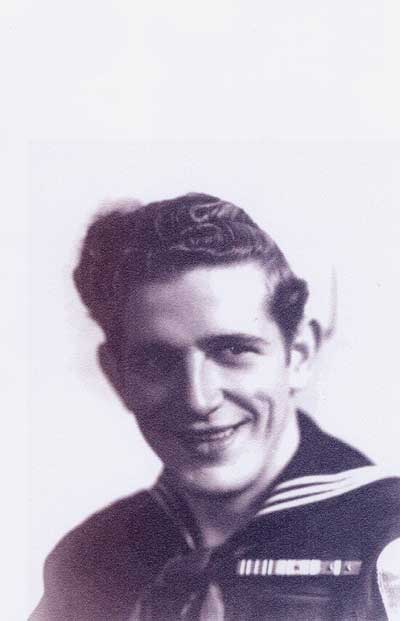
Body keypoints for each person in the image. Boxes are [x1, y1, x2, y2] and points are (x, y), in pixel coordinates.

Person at [31, 193, 400, 620]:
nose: (198, 399)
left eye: (233, 350)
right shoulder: (87, 559)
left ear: (298, 355)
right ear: (117, 376)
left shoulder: (387, 537)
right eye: (156, 361)